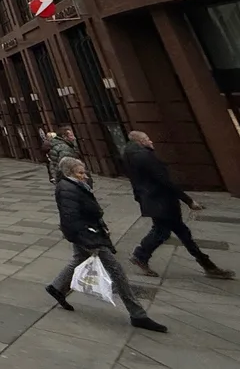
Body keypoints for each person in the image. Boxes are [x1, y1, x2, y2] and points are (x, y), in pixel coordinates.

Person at [46, 156, 166, 332]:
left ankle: (57, 287)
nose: (85, 175)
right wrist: (87, 236)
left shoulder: (75, 186)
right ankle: (138, 314)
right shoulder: (67, 189)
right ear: (70, 173)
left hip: (88, 232)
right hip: (87, 235)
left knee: (79, 258)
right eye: (80, 172)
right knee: (117, 272)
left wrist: (101, 225)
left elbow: (86, 211)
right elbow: (70, 218)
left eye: (84, 171)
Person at [123, 131, 234, 280]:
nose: (151, 141)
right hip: (161, 201)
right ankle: (140, 255)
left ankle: (208, 265)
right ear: (141, 142)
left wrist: (140, 198)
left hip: (152, 200)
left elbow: (136, 181)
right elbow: (164, 181)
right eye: (148, 139)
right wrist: (188, 200)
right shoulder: (145, 157)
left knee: (179, 233)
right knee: (166, 232)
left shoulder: (130, 156)